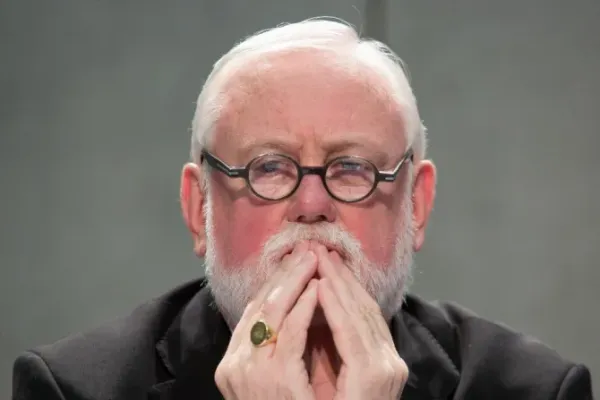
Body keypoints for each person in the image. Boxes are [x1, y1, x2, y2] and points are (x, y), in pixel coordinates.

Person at [12, 17, 594, 400]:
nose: (311, 205)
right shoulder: (74, 389)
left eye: (351, 168)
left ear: (416, 204)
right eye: (269, 168)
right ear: (199, 209)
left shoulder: (534, 390)